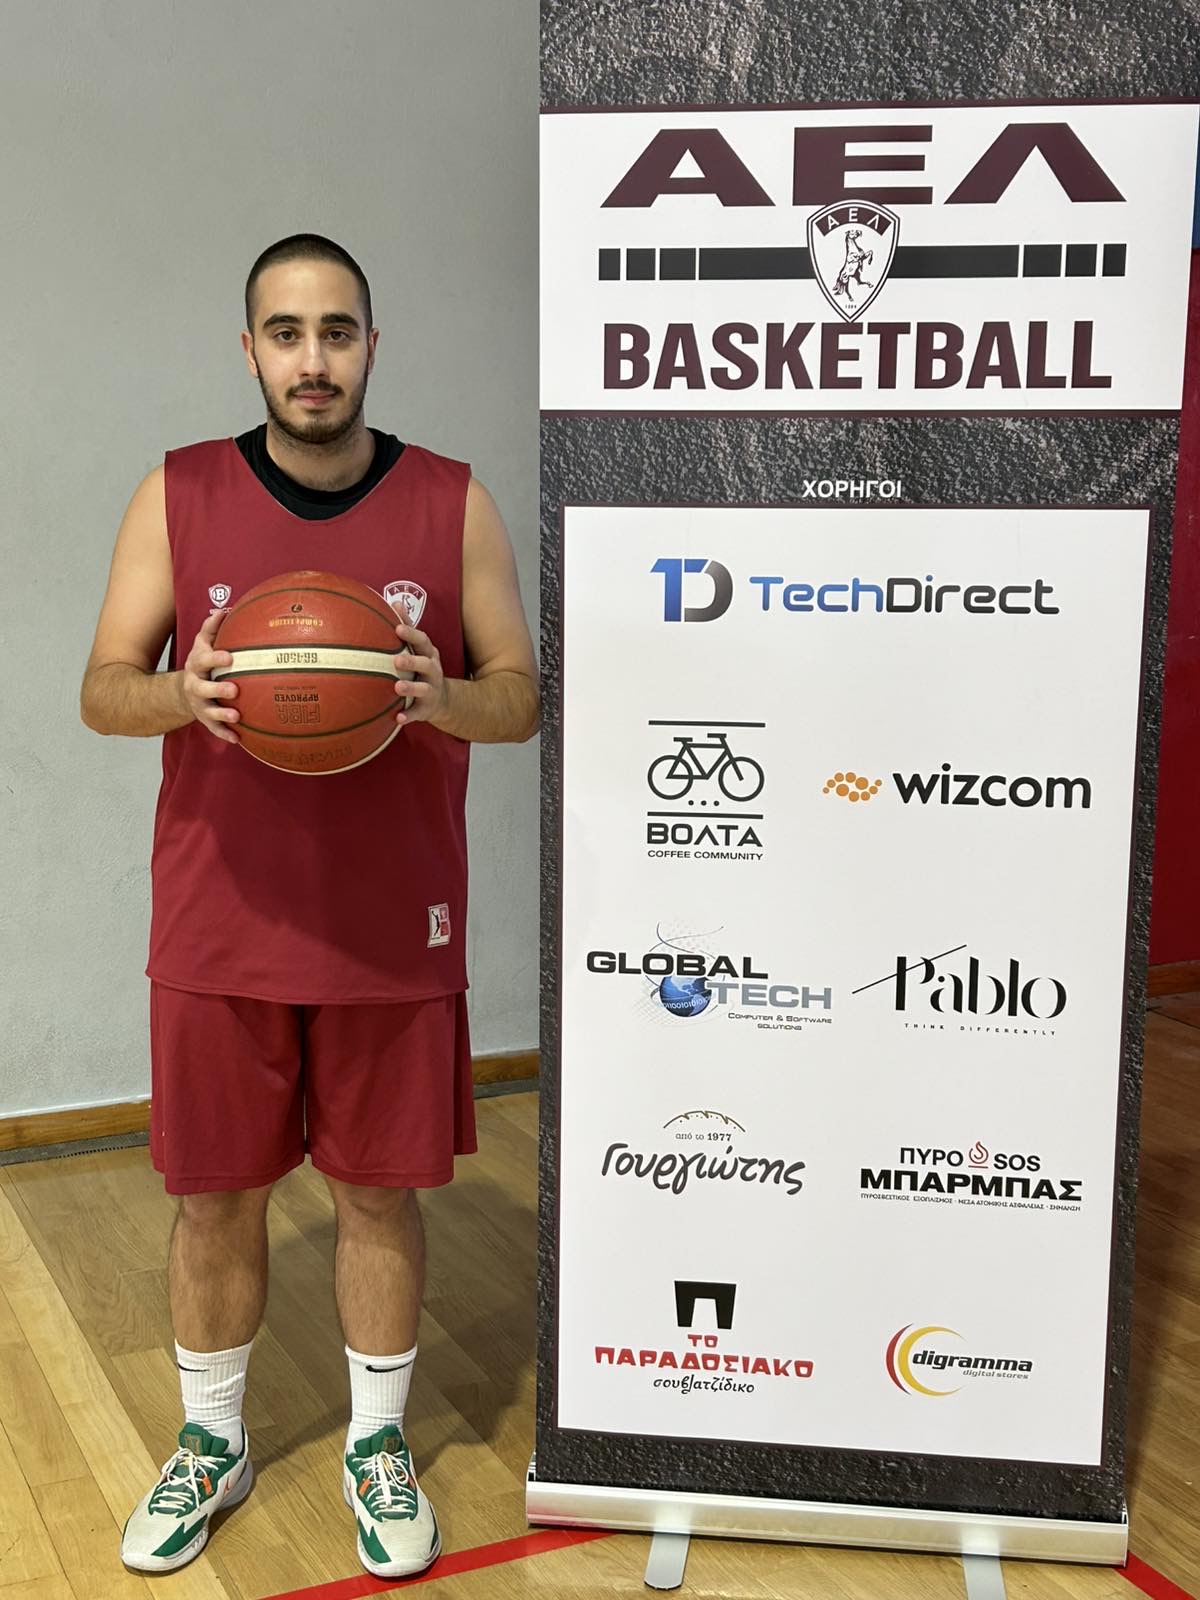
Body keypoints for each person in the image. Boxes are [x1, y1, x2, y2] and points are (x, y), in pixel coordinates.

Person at [79, 233, 539, 1579]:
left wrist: (440, 698)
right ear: (251, 352)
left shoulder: (451, 500)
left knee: (380, 1200)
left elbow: (520, 694)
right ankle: (212, 1443)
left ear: (371, 346)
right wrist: (183, 694)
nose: (313, 358)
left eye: (337, 331)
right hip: (218, 918)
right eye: (286, 333)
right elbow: (102, 687)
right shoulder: (178, 493)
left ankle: (377, 1444)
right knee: (215, 1199)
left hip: (393, 923)